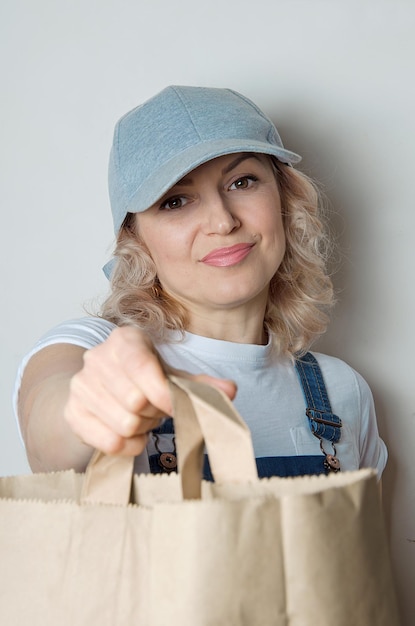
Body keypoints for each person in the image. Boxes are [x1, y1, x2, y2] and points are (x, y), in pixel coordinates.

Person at [15, 85, 387, 480]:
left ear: (284, 198)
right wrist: (87, 411)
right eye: (175, 201)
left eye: (242, 182)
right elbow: (49, 430)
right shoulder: (92, 348)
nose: (223, 222)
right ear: (136, 240)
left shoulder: (343, 391)